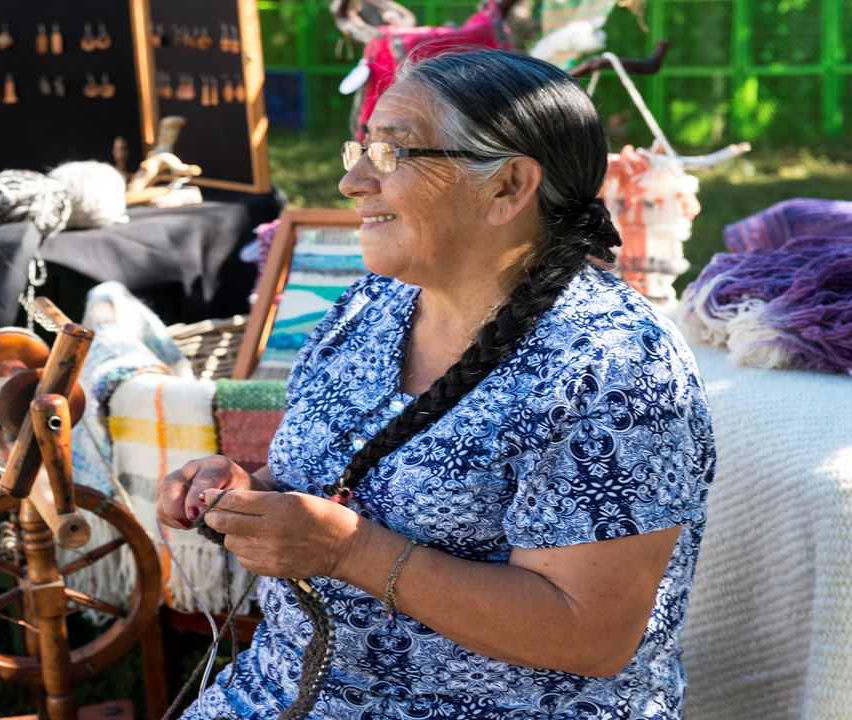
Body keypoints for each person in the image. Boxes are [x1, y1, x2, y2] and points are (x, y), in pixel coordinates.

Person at [158, 49, 714, 719]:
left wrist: (349, 551)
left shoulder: (617, 367)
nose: (354, 181)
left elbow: (591, 635)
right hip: (284, 692)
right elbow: (341, 486)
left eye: (393, 154)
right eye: (358, 150)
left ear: (508, 187)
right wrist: (252, 497)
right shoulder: (370, 307)